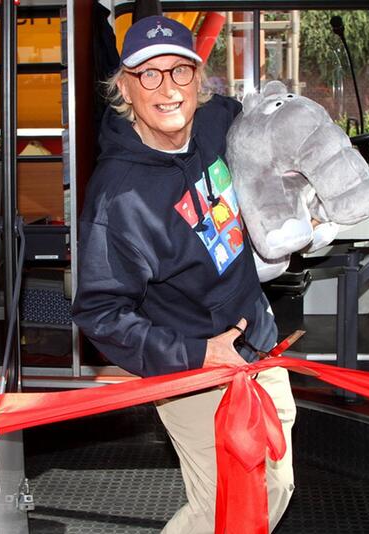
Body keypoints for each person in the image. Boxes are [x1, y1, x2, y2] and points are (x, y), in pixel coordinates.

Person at [71, 16, 296, 534]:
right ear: (124, 87)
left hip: (258, 342)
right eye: (149, 75)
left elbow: (269, 136)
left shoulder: (219, 121)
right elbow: (99, 313)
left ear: (199, 78)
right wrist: (197, 353)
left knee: (275, 485)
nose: (167, 88)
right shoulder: (117, 198)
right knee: (225, 506)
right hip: (192, 371)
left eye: (179, 71)